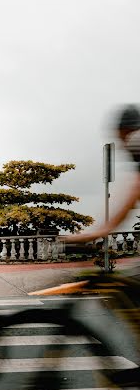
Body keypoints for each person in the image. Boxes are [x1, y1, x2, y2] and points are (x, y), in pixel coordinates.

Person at [65, 105, 140, 272]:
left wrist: (99, 231)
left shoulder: (137, 139)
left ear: (125, 129)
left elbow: (134, 193)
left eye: (119, 135)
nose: (120, 143)